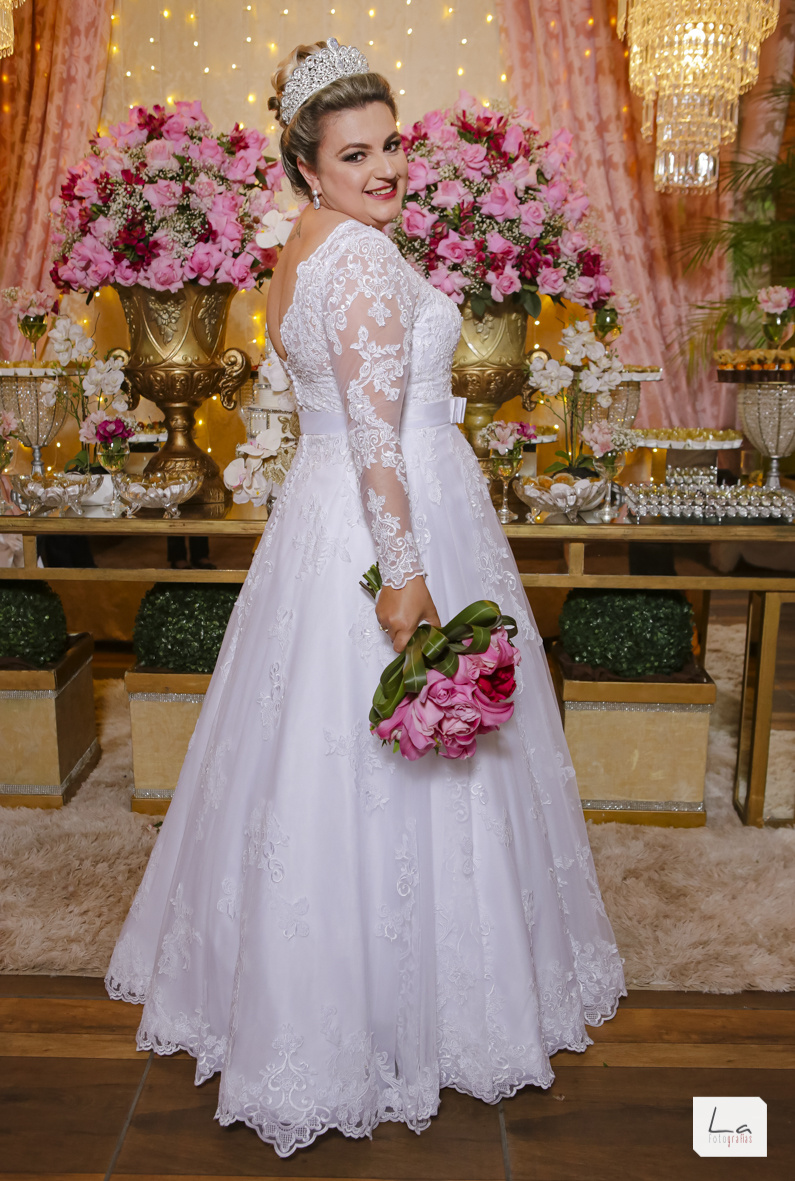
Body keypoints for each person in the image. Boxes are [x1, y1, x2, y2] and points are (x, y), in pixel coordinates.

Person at [106, 38, 625, 1156]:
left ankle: (314, 995)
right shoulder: (360, 260)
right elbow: (380, 442)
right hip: (389, 524)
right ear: (307, 164)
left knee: (309, 758)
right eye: (356, 154)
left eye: (391, 144)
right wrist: (407, 574)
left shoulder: (301, 246)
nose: (385, 167)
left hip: (321, 517)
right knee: (406, 757)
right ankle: (398, 1017)